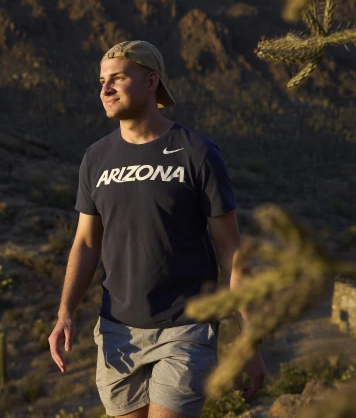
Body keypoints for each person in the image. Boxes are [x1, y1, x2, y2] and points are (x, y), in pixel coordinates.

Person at [48, 40, 266, 418]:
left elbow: (231, 253)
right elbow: (85, 243)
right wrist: (65, 311)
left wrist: (249, 341)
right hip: (118, 332)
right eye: (101, 81)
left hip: (185, 328)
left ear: (151, 82)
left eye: (117, 78)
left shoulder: (197, 153)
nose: (105, 90)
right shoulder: (96, 157)